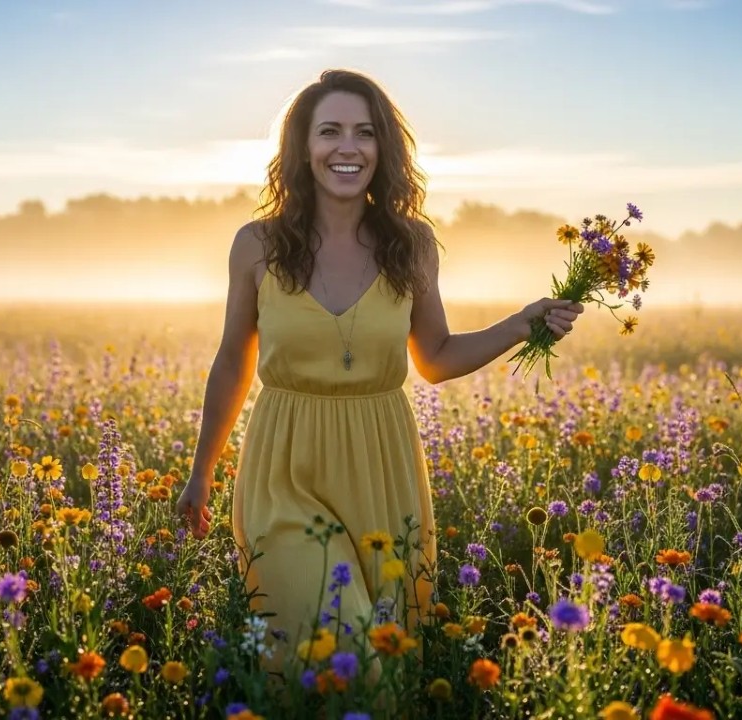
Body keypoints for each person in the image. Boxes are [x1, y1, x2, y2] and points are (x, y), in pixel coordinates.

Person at [175, 69, 583, 679]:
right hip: (283, 465)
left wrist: (521, 324)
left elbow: (436, 357)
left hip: (382, 463)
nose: (348, 148)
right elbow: (233, 360)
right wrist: (201, 472)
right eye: (330, 132)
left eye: (364, 133)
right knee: (339, 645)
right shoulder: (256, 244)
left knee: (382, 664)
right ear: (301, 146)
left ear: (383, 147)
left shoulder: (410, 244)